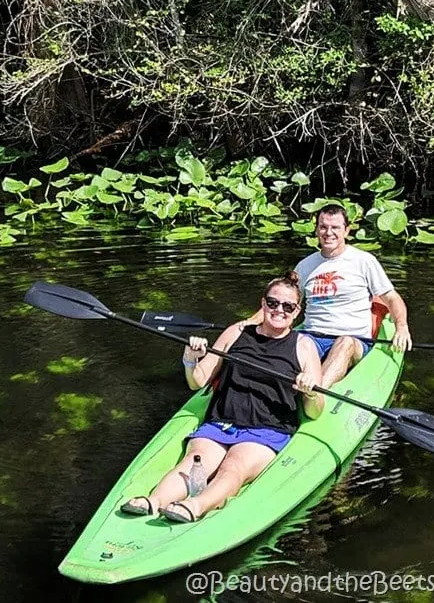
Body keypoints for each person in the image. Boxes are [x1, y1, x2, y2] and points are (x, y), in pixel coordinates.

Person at [120, 271, 324, 523]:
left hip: (267, 428)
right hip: (221, 421)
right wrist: (190, 358)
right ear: (263, 303)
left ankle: (195, 506)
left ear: (296, 311)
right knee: (194, 464)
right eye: (272, 303)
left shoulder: (303, 346)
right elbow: (198, 381)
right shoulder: (237, 332)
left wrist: (311, 392)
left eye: (287, 306)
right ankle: (155, 501)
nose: (278, 309)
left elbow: (315, 410)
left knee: (233, 467)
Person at [245, 204, 412, 387]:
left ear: (346, 230)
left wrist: (401, 327)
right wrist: (248, 324)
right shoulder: (305, 266)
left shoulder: (364, 261)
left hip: (353, 339)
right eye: (323, 227)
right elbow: (282, 304)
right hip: (310, 336)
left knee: (344, 343)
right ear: (316, 230)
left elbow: (392, 298)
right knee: (281, 348)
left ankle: (315, 391)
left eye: (335, 227)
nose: (328, 232)